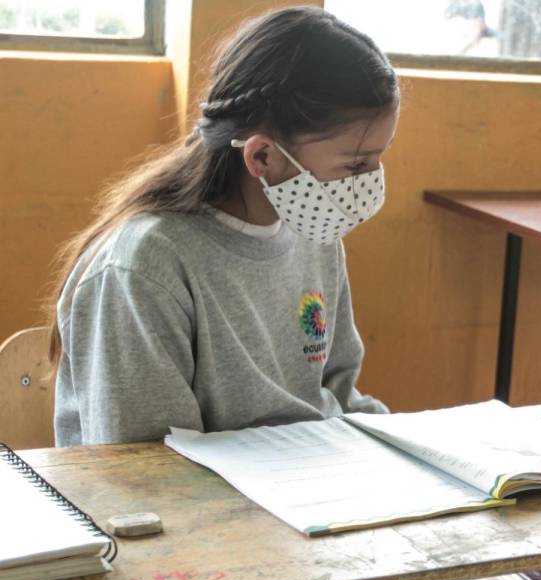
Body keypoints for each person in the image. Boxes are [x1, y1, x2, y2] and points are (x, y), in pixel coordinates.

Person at [49, 6, 399, 446]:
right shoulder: (145, 267)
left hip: (312, 486)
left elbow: (338, 398)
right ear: (262, 157)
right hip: (199, 505)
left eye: (378, 158)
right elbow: (141, 470)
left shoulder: (314, 233)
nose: (369, 181)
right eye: (355, 164)